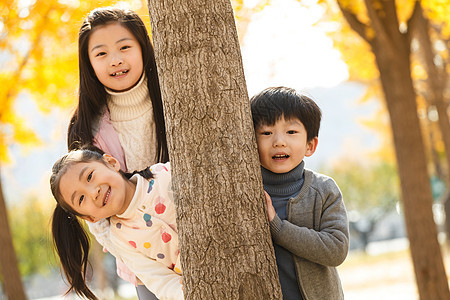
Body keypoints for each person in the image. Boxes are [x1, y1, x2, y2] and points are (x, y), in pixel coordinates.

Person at [67, 7, 170, 299]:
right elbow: (95, 215)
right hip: (142, 256)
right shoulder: (86, 127)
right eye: (100, 54)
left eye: (125, 47)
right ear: (88, 63)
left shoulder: (172, 98)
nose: (116, 60)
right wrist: (128, 251)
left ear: (143, 48)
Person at [250, 86, 349, 299]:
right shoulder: (246, 190)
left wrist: (277, 227)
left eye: (291, 132)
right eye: (266, 133)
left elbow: (336, 248)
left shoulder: (323, 189)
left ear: (310, 145)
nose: (279, 141)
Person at [50, 148, 183, 300]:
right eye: (81, 198)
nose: (94, 193)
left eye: (89, 177)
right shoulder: (121, 240)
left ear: (111, 163)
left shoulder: (164, 174)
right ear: (90, 218)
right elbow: (160, 281)